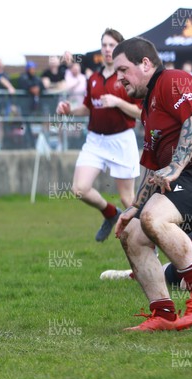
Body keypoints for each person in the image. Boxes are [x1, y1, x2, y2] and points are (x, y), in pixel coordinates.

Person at [113, 37, 192, 331]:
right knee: (132, 232)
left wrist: (176, 166)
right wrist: (132, 208)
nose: (118, 79)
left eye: (122, 70)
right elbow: (153, 169)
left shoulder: (172, 80)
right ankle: (163, 314)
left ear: (145, 64)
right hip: (187, 181)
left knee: (154, 218)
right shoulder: (148, 107)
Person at [56, 28, 141, 242]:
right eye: (104, 45)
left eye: (111, 45)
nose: (107, 49)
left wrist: (118, 102)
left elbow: (141, 113)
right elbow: (87, 108)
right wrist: (69, 111)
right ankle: (110, 214)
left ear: (120, 49)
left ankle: (148, 240)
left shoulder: (128, 77)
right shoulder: (93, 78)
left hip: (121, 139)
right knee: (79, 188)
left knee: (127, 198)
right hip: (95, 140)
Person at [101, 215, 192, 290]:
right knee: (156, 218)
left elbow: (186, 287)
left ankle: (130, 274)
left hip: (179, 269)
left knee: (162, 273)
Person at [17, 61, 43, 148]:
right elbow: (25, 85)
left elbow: (41, 86)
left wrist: (37, 89)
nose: (33, 70)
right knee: (25, 124)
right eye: (31, 68)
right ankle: (28, 143)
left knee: (32, 124)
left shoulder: (36, 78)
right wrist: (32, 88)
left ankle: (32, 142)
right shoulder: (23, 77)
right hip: (24, 106)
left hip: (34, 105)